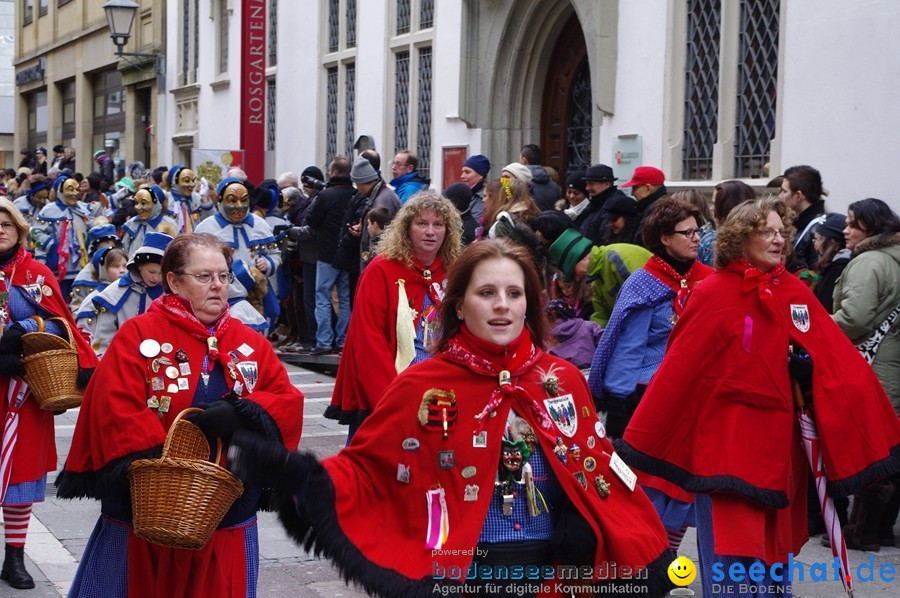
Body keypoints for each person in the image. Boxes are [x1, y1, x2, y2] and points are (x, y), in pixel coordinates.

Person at [229, 239, 673, 598]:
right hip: (460, 574)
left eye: (513, 294)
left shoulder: (562, 378)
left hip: (553, 576)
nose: (502, 305)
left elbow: (597, 471)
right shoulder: (421, 383)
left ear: (529, 305)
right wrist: (298, 473)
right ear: (459, 307)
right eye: (487, 293)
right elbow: (367, 466)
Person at [617, 197, 900, 597]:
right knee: (732, 559)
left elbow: (835, 359)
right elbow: (680, 372)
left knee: (774, 556)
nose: (778, 239)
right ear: (739, 238)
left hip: (779, 450)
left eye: (781, 231)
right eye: (765, 231)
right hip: (724, 449)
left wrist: (808, 366)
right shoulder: (712, 293)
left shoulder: (793, 291)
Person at [57, 233, 303, 597]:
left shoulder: (248, 340)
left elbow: (287, 399)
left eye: (224, 276)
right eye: (204, 277)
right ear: (173, 281)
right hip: (146, 514)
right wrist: (168, 469)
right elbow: (113, 407)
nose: (218, 286)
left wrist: (245, 413)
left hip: (227, 515)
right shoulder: (138, 334)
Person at [0, 198, 98, 589]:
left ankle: (14, 558)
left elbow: (63, 325)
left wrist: (25, 326)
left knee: (21, 476)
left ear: (20, 230)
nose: (1, 230)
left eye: (7, 224)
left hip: (24, 391)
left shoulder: (36, 274)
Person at [325, 192, 462, 442]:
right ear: (407, 228)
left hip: (442, 387)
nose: (430, 232)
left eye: (438, 224)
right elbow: (368, 340)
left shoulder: (455, 271)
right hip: (393, 385)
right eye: (422, 224)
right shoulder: (381, 270)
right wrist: (393, 397)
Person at [831, 198, 900, 551]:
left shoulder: (869, 261)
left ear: (873, 228)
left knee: (873, 450)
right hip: (893, 364)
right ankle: (884, 528)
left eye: (854, 224)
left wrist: (818, 330)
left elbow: (855, 318)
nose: (846, 230)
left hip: (874, 367)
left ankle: (862, 531)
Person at [195, 178, 280, 331]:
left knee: (258, 333)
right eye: (232, 200)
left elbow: (275, 253)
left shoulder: (260, 224)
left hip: (257, 292)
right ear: (221, 200)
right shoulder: (207, 227)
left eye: (244, 200)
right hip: (223, 292)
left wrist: (268, 264)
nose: (239, 206)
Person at [545, 225, 651, 327]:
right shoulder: (596, 281)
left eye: (573, 272)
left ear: (581, 259)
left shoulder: (615, 258)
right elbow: (601, 316)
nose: (577, 278)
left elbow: (645, 298)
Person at [88, 232, 171, 357]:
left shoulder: (171, 293)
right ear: (139, 266)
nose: (156, 278)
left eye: (161, 273)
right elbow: (103, 339)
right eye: (151, 271)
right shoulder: (114, 295)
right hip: (123, 361)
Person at [306, 157, 356, 355]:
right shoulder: (355, 194)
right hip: (347, 254)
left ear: (332, 172)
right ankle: (343, 341)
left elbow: (312, 220)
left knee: (323, 296)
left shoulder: (326, 196)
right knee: (345, 298)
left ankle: (324, 341)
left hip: (326, 253)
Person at [696, 180, 756, 267]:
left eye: (715, 203)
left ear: (725, 207)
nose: (711, 208)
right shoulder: (761, 239)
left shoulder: (710, 242)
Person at [778, 165, 827, 271]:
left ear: (798, 196)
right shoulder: (801, 222)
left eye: (784, 191)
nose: (780, 196)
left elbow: (815, 276)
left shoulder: (818, 228)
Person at [73, 247, 129, 330]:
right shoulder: (95, 298)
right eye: (116, 266)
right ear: (104, 270)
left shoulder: (132, 293)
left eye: (125, 266)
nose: (122, 270)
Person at [121, 184, 178, 257]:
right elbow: (125, 250)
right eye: (136, 203)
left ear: (156, 203)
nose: (138, 208)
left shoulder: (169, 224)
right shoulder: (132, 224)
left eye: (143, 203)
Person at [810, 213, 849, 313]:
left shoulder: (838, 268)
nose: (815, 244)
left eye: (818, 239)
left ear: (833, 243)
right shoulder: (834, 264)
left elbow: (824, 307)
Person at [620, 166, 668, 247]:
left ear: (648, 188)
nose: (632, 193)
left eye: (634, 188)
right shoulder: (653, 208)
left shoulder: (657, 210)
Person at [460, 154, 491, 223]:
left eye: (467, 172)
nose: (462, 176)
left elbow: (476, 223)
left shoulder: (482, 196)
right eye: (462, 172)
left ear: (480, 175)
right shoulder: (469, 193)